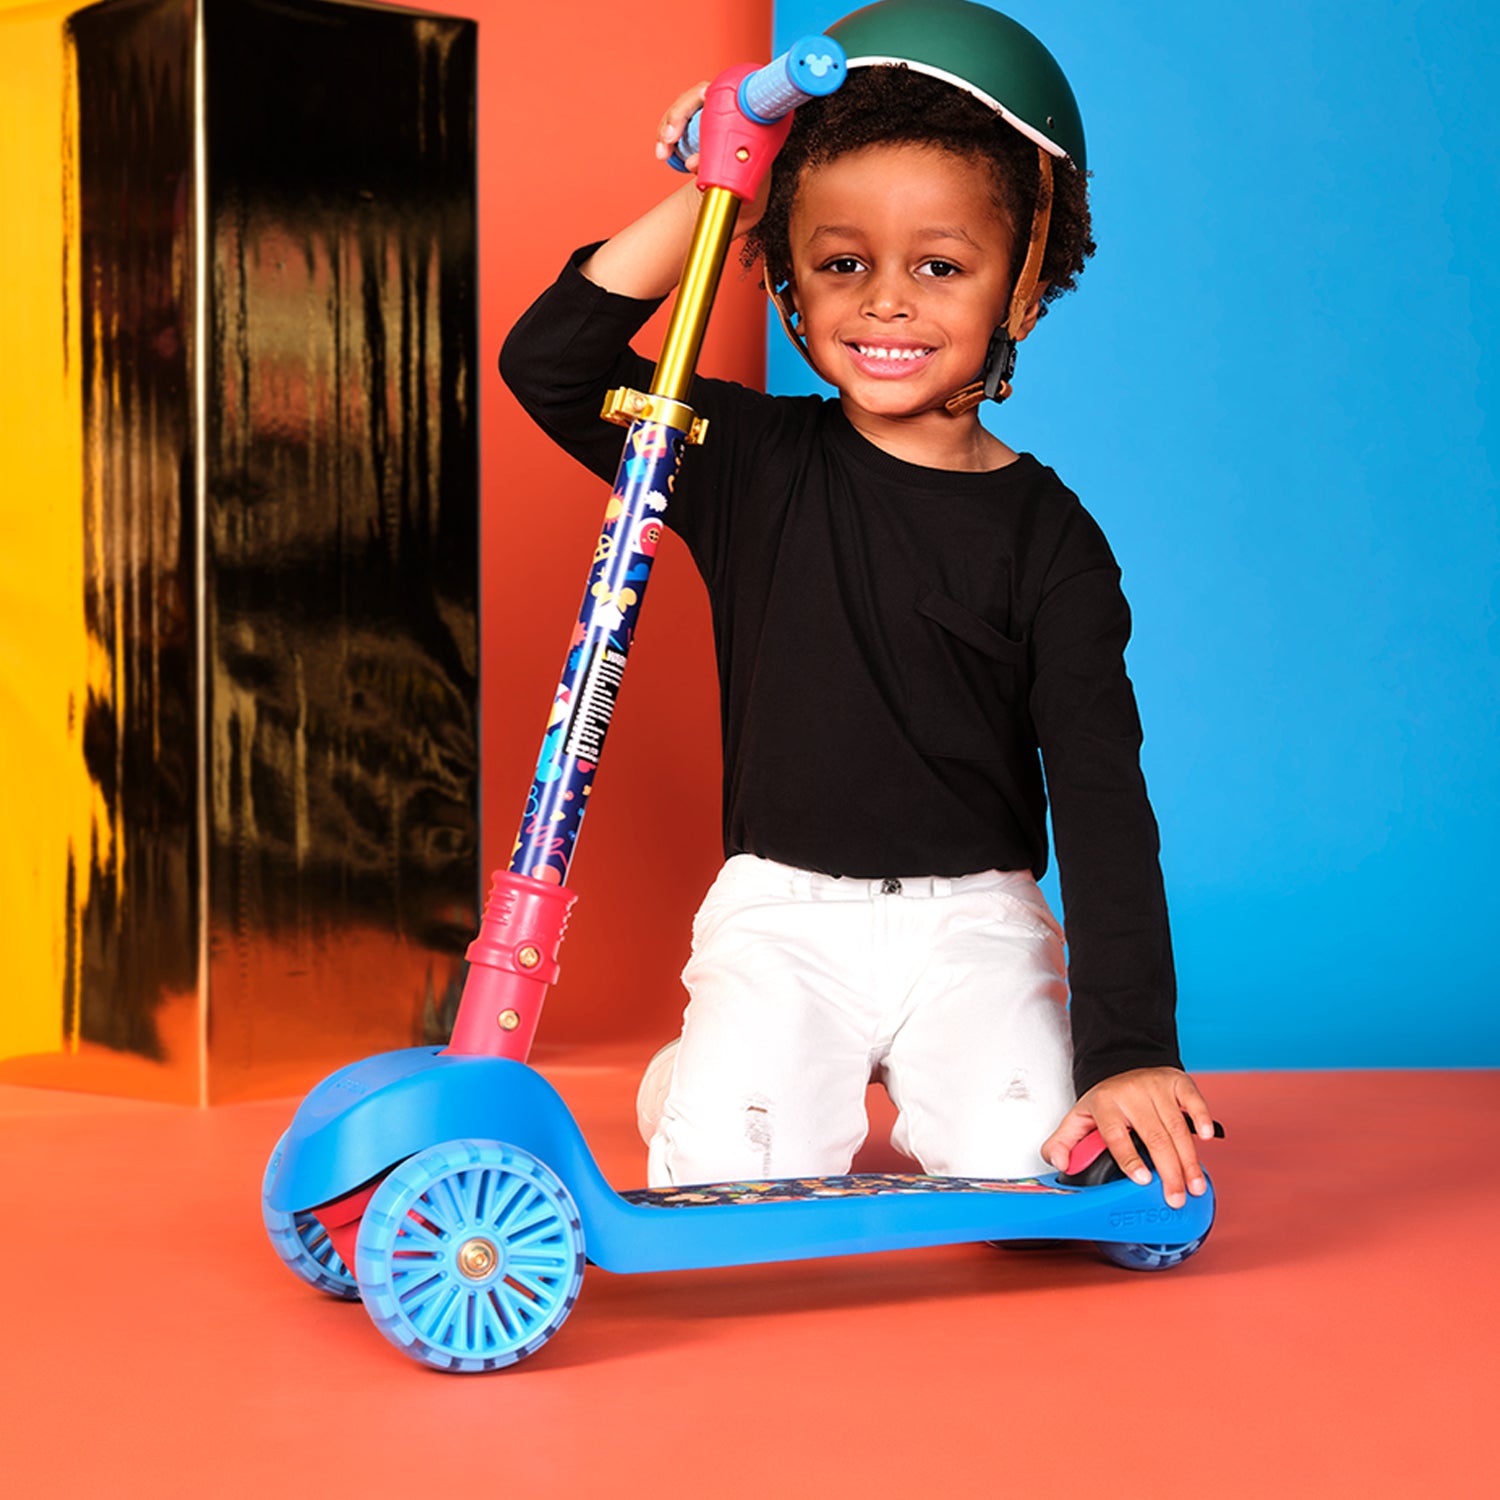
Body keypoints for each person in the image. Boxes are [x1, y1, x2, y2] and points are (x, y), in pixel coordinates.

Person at [501, 0, 1216, 1208]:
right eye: (842, 263)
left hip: (977, 928)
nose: (887, 303)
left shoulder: (1055, 540)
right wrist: (729, 183)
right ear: (786, 276)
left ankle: (943, 1079)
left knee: (1047, 1181)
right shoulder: (742, 459)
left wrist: (1132, 1054)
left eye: (940, 266)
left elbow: (1102, 800)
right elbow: (553, 363)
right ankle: (701, 1081)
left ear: (1022, 288)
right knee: (732, 1178)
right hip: (786, 916)